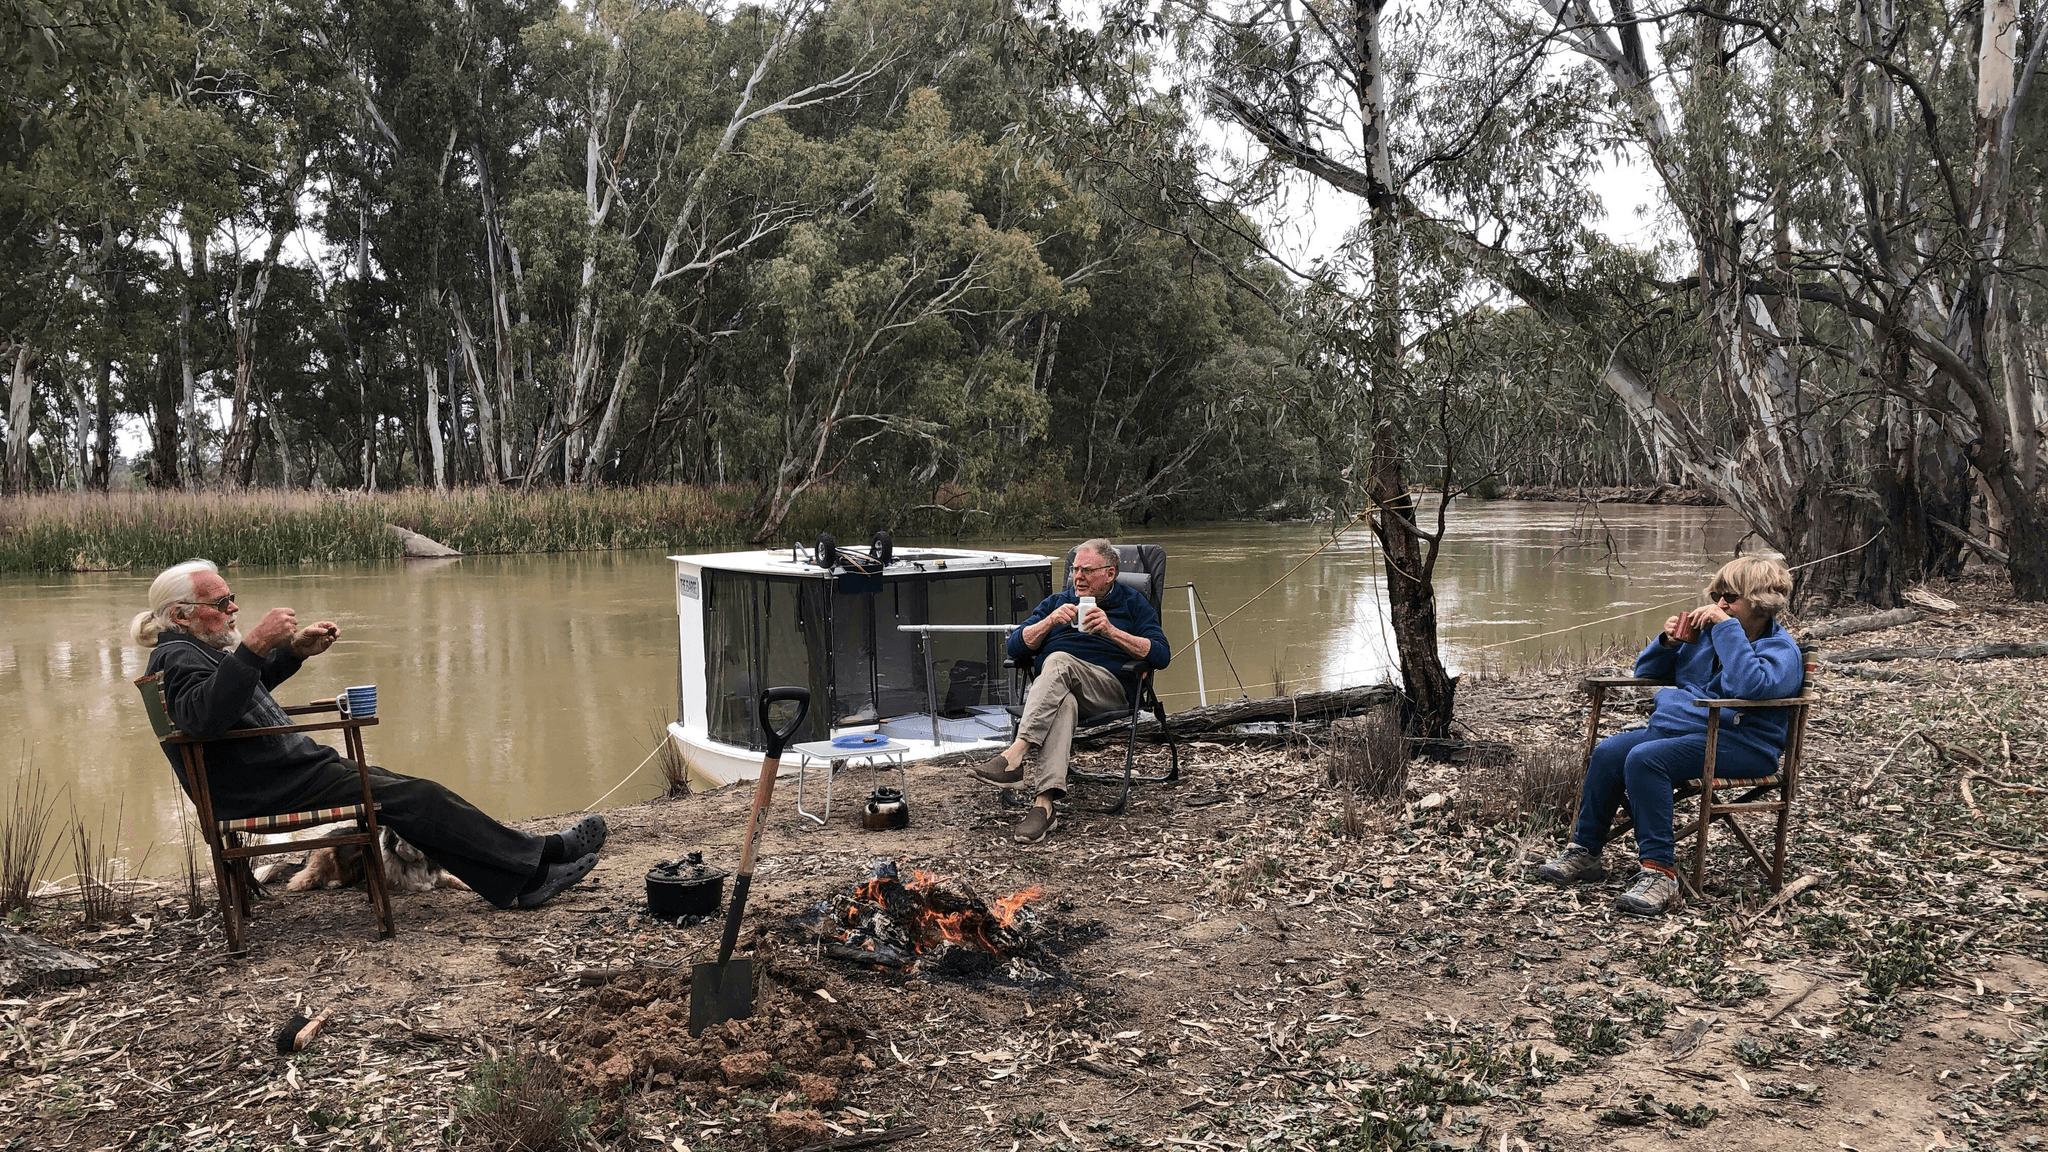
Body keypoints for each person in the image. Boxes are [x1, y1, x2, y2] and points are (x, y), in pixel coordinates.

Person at [130, 559, 605, 910]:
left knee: (415, 795)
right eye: (220, 603)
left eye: (231, 598)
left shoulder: (195, 651)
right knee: (419, 798)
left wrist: (292, 652)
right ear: (181, 615)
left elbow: (236, 696)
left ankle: (526, 870)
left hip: (285, 773)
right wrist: (254, 644)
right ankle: (532, 869)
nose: (233, 608)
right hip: (270, 787)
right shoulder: (177, 659)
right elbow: (203, 718)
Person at [1536, 556, 1804, 916]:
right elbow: (1645, 672)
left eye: (1730, 597)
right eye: (1716, 595)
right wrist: (1667, 642)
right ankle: (1586, 852)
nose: (1719, 604)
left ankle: (1660, 873)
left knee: (1647, 759)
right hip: (1680, 733)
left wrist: (1726, 630)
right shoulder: (1707, 636)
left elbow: (1750, 685)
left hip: (1743, 745)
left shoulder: (1779, 649)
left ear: (1760, 602)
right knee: (1610, 753)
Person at [971, 539, 1170, 843]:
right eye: (1075, 569)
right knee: (1063, 701)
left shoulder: (1132, 603)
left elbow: (1160, 653)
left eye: (1087, 571)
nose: (1078, 577)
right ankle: (1044, 807)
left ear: (1110, 573)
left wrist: (1111, 631)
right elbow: (1014, 647)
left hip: (1109, 689)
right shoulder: (1057, 602)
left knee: (1059, 661)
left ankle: (1016, 754)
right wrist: (1049, 622)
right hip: (1056, 693)